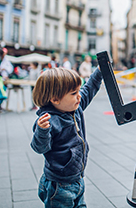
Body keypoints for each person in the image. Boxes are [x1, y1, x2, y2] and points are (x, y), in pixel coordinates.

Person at [30, 66, 103, 207]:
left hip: (77, 178)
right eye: (74, 93)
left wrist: (100, 71)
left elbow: (89, 88)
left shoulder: (75, 107)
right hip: (59, 185)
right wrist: (42, 131)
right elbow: (39, 147)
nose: (79, 95)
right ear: (55, 99)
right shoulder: (49, 121)